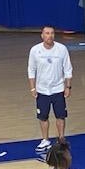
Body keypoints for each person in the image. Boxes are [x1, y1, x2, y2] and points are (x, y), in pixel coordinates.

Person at [28, 25, 73, 153]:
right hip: (42, 90)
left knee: (60, 116)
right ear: (42, 35)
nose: (50, 36)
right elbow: (31, 70)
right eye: (47, 33)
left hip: (58, 89)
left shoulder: (62, 49)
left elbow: (68, 68)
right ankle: (45, 140)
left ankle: (61, 139)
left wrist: (68, 86)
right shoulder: (35, 50)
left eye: (52, 33)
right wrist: (32, 88)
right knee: (43, 117)